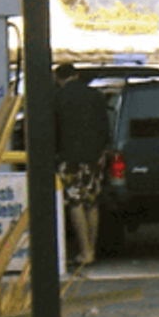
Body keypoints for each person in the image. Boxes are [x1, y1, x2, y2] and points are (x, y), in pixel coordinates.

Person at [53, 63, 111, 267]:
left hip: (70, 157)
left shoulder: (58, 97)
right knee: (92, 201)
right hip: (94, 156)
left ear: (58, 78)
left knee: (75, 200)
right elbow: (105, 125)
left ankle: (84, 250)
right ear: (76, 75)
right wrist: (103, 149)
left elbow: (54, 129)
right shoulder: (95, 95)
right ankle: (91, 249)